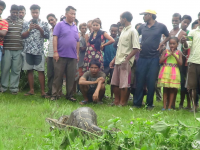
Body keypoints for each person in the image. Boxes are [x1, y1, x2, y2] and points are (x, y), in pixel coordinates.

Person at [133, 10, 170, 109]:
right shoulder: (142, 27)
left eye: (144, 15)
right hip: (142, 57)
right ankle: (137, 103)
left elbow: (169, 36)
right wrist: (138, 45)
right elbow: (135, 37)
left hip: (154, 58)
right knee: (140, 80)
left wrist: (162, 43)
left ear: (150, 15)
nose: (143, 17)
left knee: (151, 81)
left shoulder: (161, 26)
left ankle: (149, 104)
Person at [110, 11, 140, 106]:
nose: (120, 20)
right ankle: (116, 101)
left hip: (125, 61)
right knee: (115, 83)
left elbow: (136, 48)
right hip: (118, 60)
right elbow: (119, 48)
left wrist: (127, 59)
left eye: (121, 18)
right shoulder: (123, 31)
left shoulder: (133, 31)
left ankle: (122, 103)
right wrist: (113, 60)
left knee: (124, 84)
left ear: (124, 19)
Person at [51, 6, 79, 101]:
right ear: (66, 14)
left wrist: (77, 54)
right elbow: (55, 38)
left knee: (71, 77)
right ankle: (55, 95)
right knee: (58, 76)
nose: (73, 16)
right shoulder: (59, 25)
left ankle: (69, 95)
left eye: (74, 14)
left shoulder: (75, 27)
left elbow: (77, 41)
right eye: (71, 13)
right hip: (61, 55)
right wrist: (55, 52)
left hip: (72, 56)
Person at [21, 4, 49, 97]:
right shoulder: (26, 23)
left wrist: (40, 29)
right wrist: (29, 29)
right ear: (31, 13)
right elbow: (23, 36)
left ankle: (42, 91)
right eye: (33, 12)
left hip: (39, 51)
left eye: (36, 12)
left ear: (39, 12)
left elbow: (47, 36)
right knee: (29, 70)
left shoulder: (44, 23)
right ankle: (31, 90)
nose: (35, 14)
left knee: (41, 71)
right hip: (28, 50)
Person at [1, 5, 23, 94]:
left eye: (16, 12)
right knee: (5, 69)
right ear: (10, 12)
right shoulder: (5, 21)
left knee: (16, 69)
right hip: (7, 49)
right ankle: (3, 87)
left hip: (18, 49)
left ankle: (14, 88)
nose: (15, 14)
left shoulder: (22, 22)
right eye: (13, 12)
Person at [181, 12, 200, 111]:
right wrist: (184, 42)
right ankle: (194, 106)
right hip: (193, 62)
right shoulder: (192, 32)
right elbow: (187, 45)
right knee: (192, 86)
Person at [158, 37, 182, 110]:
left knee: (172, 89)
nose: (172, 45)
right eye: (170, 44)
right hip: (165, 70)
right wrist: (168, 55)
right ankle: (164, 106)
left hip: (174, 71)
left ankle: (169, 106)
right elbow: (160, 61)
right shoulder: (165, 51)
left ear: (177, 44)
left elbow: (180, 63)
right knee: (165, 89)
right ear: (168, 44)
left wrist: (174, 56)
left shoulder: (179, 52)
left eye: (174, 44)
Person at [179, 15, 192, 109]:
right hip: (177, 61)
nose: (185, 24)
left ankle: (187, 104)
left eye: (187, 23)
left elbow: (188, 46)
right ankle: (179, 103)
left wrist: (185, 42)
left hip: (187, 62)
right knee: (180, 83)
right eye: (184, 22)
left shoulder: (189, 33)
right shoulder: (175, 32)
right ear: (181, 21)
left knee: (187, 83)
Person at [103, 24, 118, 99]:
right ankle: (102, 94)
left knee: (113, 81)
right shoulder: (106, 40)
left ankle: (113, 96)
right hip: (105, 62)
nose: (113, 32)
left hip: (115, 64)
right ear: (110, 30)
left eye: (115, 31)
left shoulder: (119, 39)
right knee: (102, 78)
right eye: (112, 31)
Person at [46, 13, 58, 97]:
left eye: (52, 19)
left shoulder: (60, 29)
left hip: (57, 55)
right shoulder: (50, 30)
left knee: (57, 75)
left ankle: (57, 92)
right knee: (50, 74)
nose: (51, 21)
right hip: (50, 55)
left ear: (56, 19)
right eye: (49, 20)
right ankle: (50, 91)